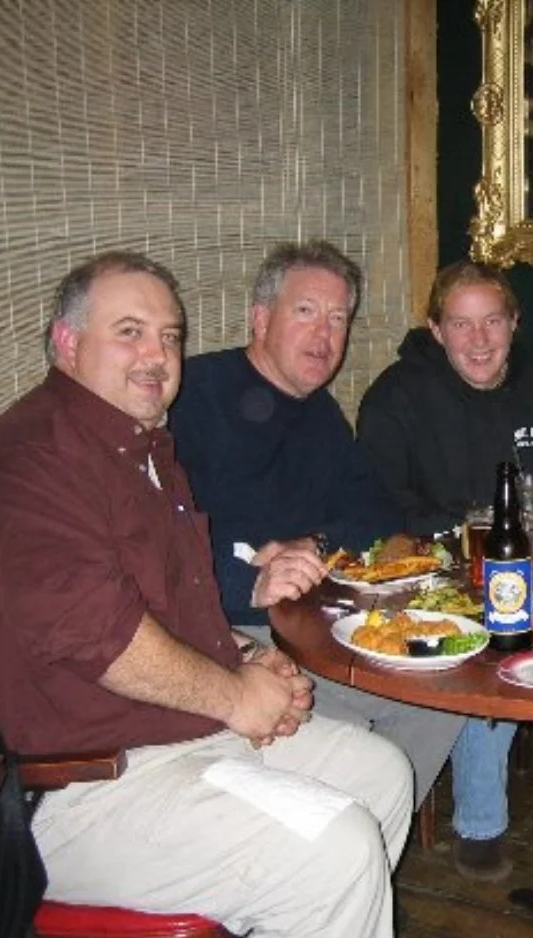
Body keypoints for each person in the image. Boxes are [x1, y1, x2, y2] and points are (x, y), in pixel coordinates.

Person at [0, 251, 419, 938]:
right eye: (129, 332)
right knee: (333, 850)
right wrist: (235, 698)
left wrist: (247, 660)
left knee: (379, 775)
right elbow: (103, 636)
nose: (156, 354)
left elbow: (175, 609)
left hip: (166, 743)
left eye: (170, 335)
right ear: (66, 342)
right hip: (68, 790)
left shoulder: (141, 450)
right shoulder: (26, 465)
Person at [167, 240, 465, 867]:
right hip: (231, 634)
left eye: (338, 319)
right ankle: (321, 868)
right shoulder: (192, 399)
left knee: (441, 686)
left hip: (318, 622)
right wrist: (248, 576)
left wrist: (318, 545)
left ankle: (362, 866)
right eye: (306, 312)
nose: (325, 335)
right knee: (348, 735)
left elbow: (376, 515)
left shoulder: (321, 414)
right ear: (260, 318)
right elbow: (159, 541)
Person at [358, 260, 533, 877]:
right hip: (436, 575)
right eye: (461, 324)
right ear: (436, 329)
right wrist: (461, 528)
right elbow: (379, 509)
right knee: (486, 646)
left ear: (514, 323)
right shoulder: (396, 396)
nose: (478, 339)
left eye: (492, 321)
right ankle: (480, 822)